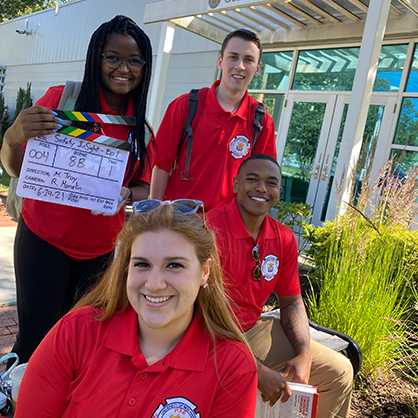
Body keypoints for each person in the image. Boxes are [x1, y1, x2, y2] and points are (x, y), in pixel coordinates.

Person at [0, 15, 155, 365]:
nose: (123, 68)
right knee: (33, 344)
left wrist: (127, 196)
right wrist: (13, 136)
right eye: (112, 57)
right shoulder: (61, 101)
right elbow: (16, 169)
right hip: (43, 240)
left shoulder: (139, 128)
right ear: (96, 58)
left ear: (144, 66)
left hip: (99, 251)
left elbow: (143, 185)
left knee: (79, 344)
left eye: (134, 60)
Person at [14, 202, 258, 417]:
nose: (154, 284)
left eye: (174, 265)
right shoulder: (77, 331)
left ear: (205, 272)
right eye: (142, 264)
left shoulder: (232, 367)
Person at [206, 154, 354, 418]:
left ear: (279, 191)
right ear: (235, 184)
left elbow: (292, 302)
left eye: (270, 182)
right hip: (208, 337)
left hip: (252, 331)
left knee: (339, 371)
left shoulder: (282, 238)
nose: (261, 188)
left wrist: (304, 354)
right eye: (252, 179)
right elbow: (194, 317)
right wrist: (255, 369)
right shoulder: (208, 231)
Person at [150, 29, 276, 211]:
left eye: (248, 60)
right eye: (233, 57)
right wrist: (154, 215)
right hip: (178, 221)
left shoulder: (262, 122)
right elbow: (161, 166)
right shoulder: (185, 106)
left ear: (257, 68)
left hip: (226, 228)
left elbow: (261, 182)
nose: (240, 66)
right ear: (220, 61)